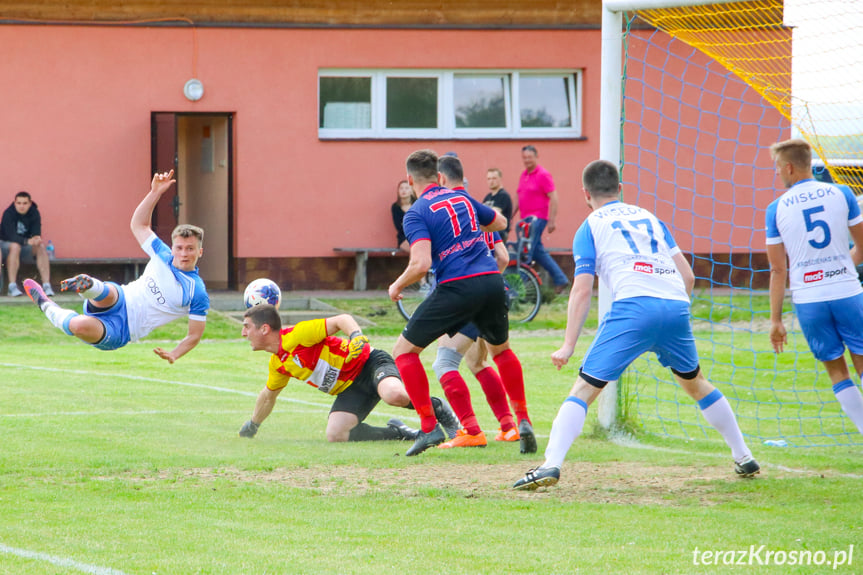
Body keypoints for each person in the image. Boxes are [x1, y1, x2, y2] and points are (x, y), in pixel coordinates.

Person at [514, 159, 759, 490]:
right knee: (695, 382)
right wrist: (672, 312)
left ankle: (550, 465)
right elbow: (687, 275)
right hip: (674, 305)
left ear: (585, 193)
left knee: (585, 389)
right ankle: (744, 456)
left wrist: (568, 345)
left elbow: (582, 289)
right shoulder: (650, 218)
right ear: (620, 188)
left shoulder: (590, 226)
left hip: (634, 307)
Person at [388, 149, 530, 457]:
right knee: (499, 353)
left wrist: (397, 284)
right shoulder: (463, 199)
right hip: (493, 282)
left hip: (457, 288)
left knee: (404, 352)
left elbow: (421, 263)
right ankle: (521, 421)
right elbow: (502, 222)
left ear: (410, 180)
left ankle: (429, 428)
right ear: (439, 177)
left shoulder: (416, 212)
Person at [23, 170, 209, 363]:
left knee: (79, 326)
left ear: (200, 252)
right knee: (109, 291)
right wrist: (155, 193)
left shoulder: (197, 291)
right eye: (179, 248)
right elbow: (139, 225)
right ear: (172, 248)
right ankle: (87, 286)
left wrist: (174, 354)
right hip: (120, 298)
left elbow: (194, 335)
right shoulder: (163, 254)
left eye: (190, 249)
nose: (184, 253)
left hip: (122, 329)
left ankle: (46, 305)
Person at [238, 305, 459, 442]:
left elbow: (341, 319)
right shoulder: (278, 364)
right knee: (336, 435)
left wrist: (356, 336)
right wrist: (253, 425)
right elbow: (268, 396)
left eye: (247, 326)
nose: (243, 332)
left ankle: (437, 407)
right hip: (350, 389)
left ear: (264, 329)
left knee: (394, 396)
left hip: (369, 364)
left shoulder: (297, 335)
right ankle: (401, 432)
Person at [433, 156, 535, 452]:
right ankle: (512, 424)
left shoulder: (440, 212)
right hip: (493, 290)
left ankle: (471, 430)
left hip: (464, 294)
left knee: (444, 362)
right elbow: (503, 258)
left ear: (440, 179)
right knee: (482, 359)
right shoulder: (479, 211)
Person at [766, 138, 863, 437]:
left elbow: (778, 269)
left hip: (809, 299)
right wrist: (842, 265)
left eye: (778, 168)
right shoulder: (843, 193)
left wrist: (776, 320)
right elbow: (862, 245)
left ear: (790, 167)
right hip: (846, 291)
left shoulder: (775, 208)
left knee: (837, 372)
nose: (778, 174)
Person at [514, 145, 569, 292]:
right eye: (524, 157)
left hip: (537, 219)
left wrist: (552, 220)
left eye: (529, 157)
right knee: (537, 251)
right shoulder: (524, 175)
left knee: (526, 251)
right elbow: (518, 197)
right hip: (525, 221)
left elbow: (554, 197)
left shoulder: (543, 174)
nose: (527, 160)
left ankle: (520, 289)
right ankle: (561, 279)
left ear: (536, 157)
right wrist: (509, 217)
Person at [0, 191, 53, 297]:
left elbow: (36, 233)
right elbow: (10, 236)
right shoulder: (8, 214)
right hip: (6, 246)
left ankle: (47, 285)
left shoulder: (34, 213)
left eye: (24, 203)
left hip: (24, 248)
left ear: (29, 203)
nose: (21, 206)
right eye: (19, 203)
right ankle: (12, 286)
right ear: (15, 203)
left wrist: (36, 239)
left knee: (41, 247)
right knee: (15, 246)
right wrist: (26, 241)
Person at [483, 168, 513, 244]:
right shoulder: (488, 197)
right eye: (489, 179)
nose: (491, 181)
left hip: (499, 233)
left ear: (500, 179)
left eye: (494, 178)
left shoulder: (503, 195)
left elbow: (493, 214)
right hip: (488, 231)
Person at [391, 179, 417, 252]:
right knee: (414, 250)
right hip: (404, 238)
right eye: (401, 188)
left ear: (411, 191)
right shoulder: (395, 207)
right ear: (398, 191)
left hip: (418, 235)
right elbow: (399, 226)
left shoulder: (417, 205)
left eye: (406, 188)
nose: (403, 190)